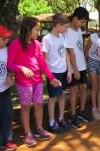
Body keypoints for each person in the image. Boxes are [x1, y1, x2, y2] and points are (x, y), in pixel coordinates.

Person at [7, 17, 61, 147]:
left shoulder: (37, 44)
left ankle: (39, 128)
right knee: (25, 107)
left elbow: (42, 63)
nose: (38, 32)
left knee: (39, 104)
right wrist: (22, 68)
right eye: (36, 29)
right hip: (24, 83)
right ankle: (27, 133)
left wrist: (51, 78)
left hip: (37, 81)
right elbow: (9, 64)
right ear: (27, 29)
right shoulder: (16, 44)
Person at [41, 14, 71, 133]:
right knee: (53, 98)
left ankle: (61, 118)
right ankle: (52, 122)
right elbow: (45, 60)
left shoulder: (62, 37)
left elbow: (65, 54)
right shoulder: (47, 39)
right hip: (53, 73)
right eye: (65, 27)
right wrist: (50, 77)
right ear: (58, 25)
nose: (66, 29)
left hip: (63, 71)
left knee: (62, 95)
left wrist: (69, 70)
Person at [64, 7, 91, 127]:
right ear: (75, 18)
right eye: (82, 21)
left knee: (84, 87)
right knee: (74, 90)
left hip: (82, 65)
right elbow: (70, 52)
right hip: (74, 66)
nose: (82, 24)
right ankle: (73, 114)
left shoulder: (79, 30)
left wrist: (83, 62)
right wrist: (75, 69)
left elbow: (80, 48)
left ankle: (82, 111)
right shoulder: (67, 31)